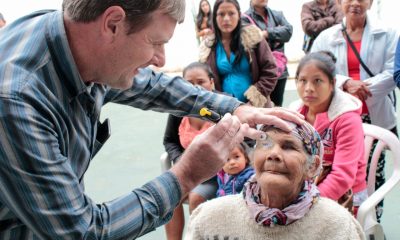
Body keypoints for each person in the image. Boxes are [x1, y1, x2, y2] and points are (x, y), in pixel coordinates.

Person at [0, 0, 305, 239]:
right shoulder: (17, 101)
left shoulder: (75, 38)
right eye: (155, 42)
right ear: (113, 24)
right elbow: (82, 231)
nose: (160, 59)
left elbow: (153, 86)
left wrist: (234, 109)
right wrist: (185, 175)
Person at [184, 120, 365, 240]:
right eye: (265, 144)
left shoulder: (335, 225)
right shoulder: (211, 218)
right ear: (253, 158)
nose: (274, 154)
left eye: (288, 146)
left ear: (312, 166)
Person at [311, 0, 398, 220]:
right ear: (339, 2)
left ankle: (371, 220)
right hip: (340, 116)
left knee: (373, 173)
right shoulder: (325, 37)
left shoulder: (388, 33)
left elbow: (392, 73)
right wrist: (345, 83)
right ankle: (340, 220)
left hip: (375, 113)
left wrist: (360, 89)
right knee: (338, 169)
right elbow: (314, 67)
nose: (355, 3)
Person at [291, 51, 367, 215]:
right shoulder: (295, 113)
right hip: (307, 189)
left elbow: (342, 177)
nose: (309, 88)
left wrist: (307, 204)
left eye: (317, 81)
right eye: (302, 81)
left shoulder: (347, 120)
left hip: (345, 195)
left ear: (332, 83)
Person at [163, 62, 217, 240]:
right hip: (188, 171)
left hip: (216, 174)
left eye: (201, 81)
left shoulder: (222, 107)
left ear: (212, 83)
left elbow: (240, 144)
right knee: (168, 195)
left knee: (195, 197)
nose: (195, 87)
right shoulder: (178, 109)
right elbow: (169, 140)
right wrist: (180, 159)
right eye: (189, 82)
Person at [199, 0, 278, 108]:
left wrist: (253, 101)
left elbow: (271, 71)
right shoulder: (208, 47)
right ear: (215, 17)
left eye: (231, 13)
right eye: (221, 14)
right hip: (226, 111)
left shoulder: (253, 38)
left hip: (258, 109)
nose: (226, 18)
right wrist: (226, 105)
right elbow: (206, 81)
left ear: (239, 15)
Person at [242, 0, 293, 107]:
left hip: (280, 71)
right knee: (261, 110)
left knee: (278, 108)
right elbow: (250, 41)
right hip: (261, 75)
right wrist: (277, 32)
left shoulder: (277, 14)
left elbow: (288, 32)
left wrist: (266, 33)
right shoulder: (244, 18)